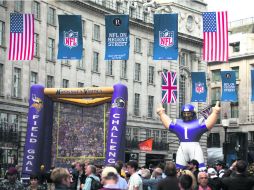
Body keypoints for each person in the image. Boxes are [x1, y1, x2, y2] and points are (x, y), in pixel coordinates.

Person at [157, 102, 221, 169]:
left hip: (194, 147)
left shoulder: (198, 123)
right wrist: (161, 114)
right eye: (185, 113)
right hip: (183, 148)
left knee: (200, 168)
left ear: (193, 113)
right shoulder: (178, 123)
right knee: (179, 168)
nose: (186, 115)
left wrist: (215, 113)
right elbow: (168, 124)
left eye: (188, 113)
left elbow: (208, 124)